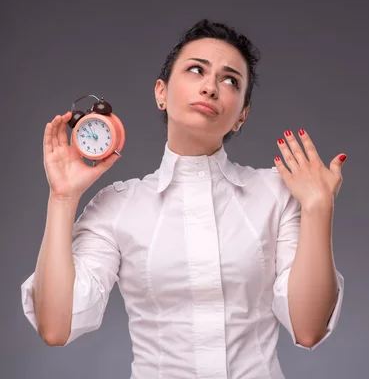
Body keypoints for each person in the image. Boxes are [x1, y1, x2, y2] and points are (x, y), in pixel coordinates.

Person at [20, 19, 346, 378]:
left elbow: (309, 327)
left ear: (242, 116)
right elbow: (55, 326)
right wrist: (62, 199)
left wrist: (318, 208)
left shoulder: (276, 195)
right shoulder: (117, 206)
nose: (210, 87)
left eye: (230, 80)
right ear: (161, 92)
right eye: (196, 70)